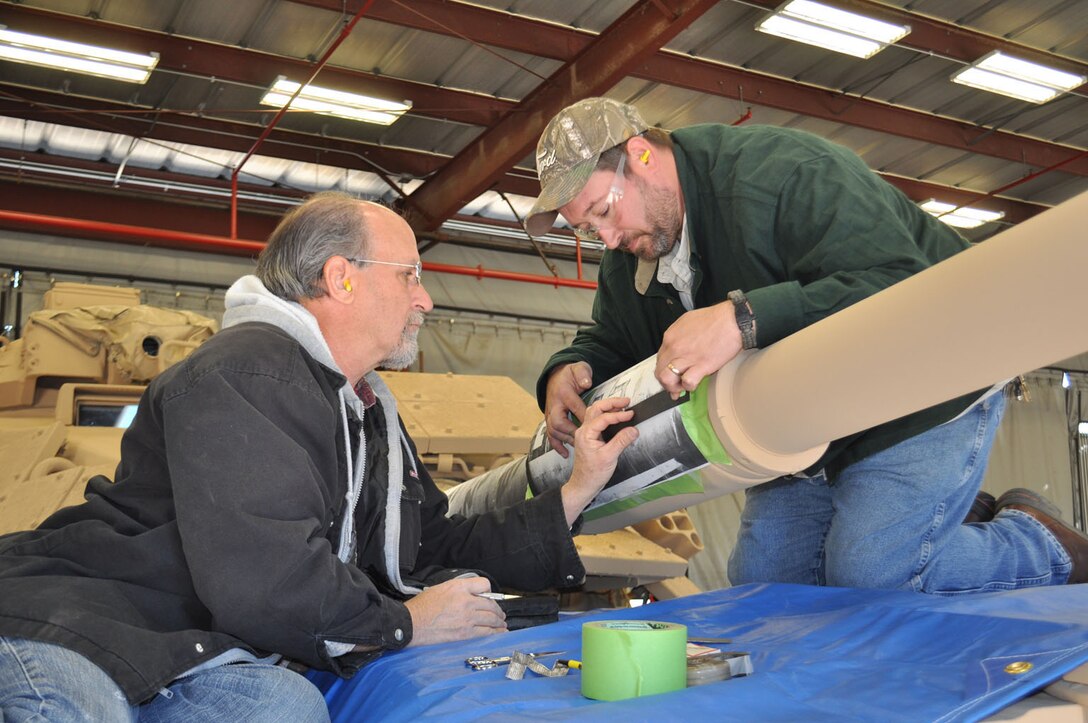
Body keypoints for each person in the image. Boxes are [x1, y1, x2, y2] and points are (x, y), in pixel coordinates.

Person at [0, 192, 638, 721]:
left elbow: (432, 542)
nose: (426, 299)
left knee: (284, 707)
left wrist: (578, 488)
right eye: (410, 275)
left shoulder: (364, 410)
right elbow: (265, 578)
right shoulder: (245, 372)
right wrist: (406, 622)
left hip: (185, 648)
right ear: (342, 277)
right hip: (78, 621)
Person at [525, 96, 1088, 595]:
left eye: (603, 211)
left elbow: (900, 281)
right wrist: (570, 368)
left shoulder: (783, 173)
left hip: (923, 386)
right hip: (810, 420)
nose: (608, 238)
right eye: (586, 229)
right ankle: (929, 519)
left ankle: (1040, 543)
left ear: (641, 155)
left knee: (870, 576)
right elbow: (613, 335)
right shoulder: (635, 248)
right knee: (766, 587)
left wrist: (742, 319)